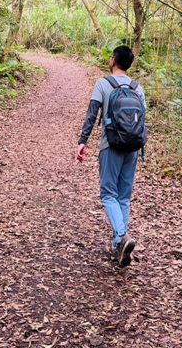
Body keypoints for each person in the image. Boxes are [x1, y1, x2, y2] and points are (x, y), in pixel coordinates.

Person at [76, 45, 146, 267]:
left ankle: (122, 235)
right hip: (133, 148)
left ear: (113, 60)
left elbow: (92, 113)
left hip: (111, 145)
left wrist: (83, 141)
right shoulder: (137, 88)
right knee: (123, 197)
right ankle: (119, 245)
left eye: (110, 57)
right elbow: (142, 120)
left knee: (108, 194)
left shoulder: (103, 84)